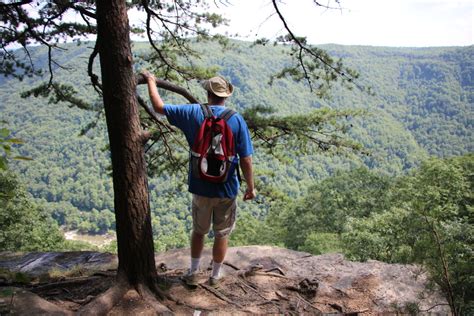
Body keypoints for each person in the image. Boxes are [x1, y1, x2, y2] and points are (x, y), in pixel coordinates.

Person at [144, 73, 256, 287]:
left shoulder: (192, 113)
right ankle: (215, 276)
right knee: (222, 233)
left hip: (200, 187)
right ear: (225, 96)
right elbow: (246, 160)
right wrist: (250, 187)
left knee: (199, 231)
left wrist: (151, 81)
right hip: (227, 189)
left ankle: (193, 272)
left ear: (207, 93)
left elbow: (159, 107)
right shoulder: (236, 119)